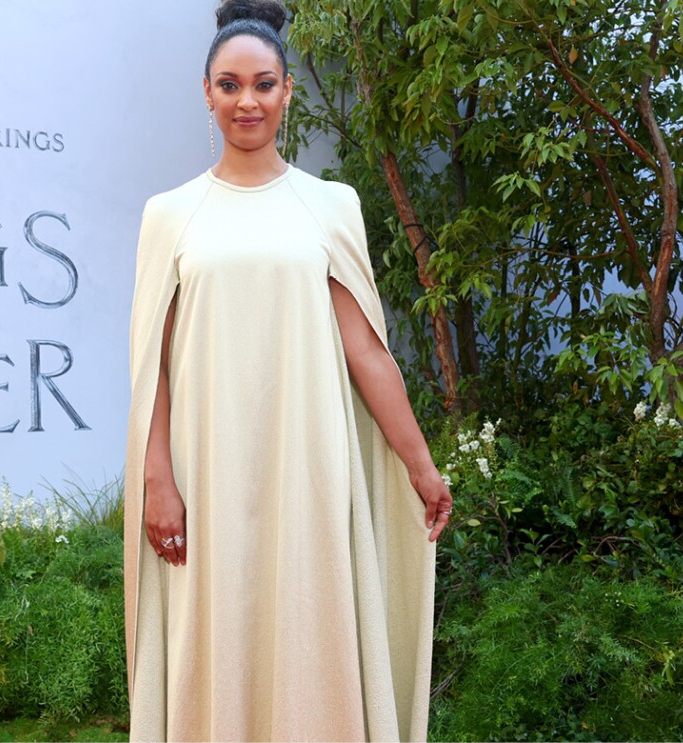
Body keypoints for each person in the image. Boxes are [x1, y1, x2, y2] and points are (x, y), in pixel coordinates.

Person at [123, 1, 452, 739]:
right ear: (205, 91)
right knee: (217, 628)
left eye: (263, 84)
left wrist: (421, 465)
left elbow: (365, 351)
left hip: (307, 467)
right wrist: (157, 479)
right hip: (205, 472)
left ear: (287, 91)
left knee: (310, 622)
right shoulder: (168, 214)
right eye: (230, 85)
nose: (247, 101)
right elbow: (153, 368)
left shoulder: (329, 205)